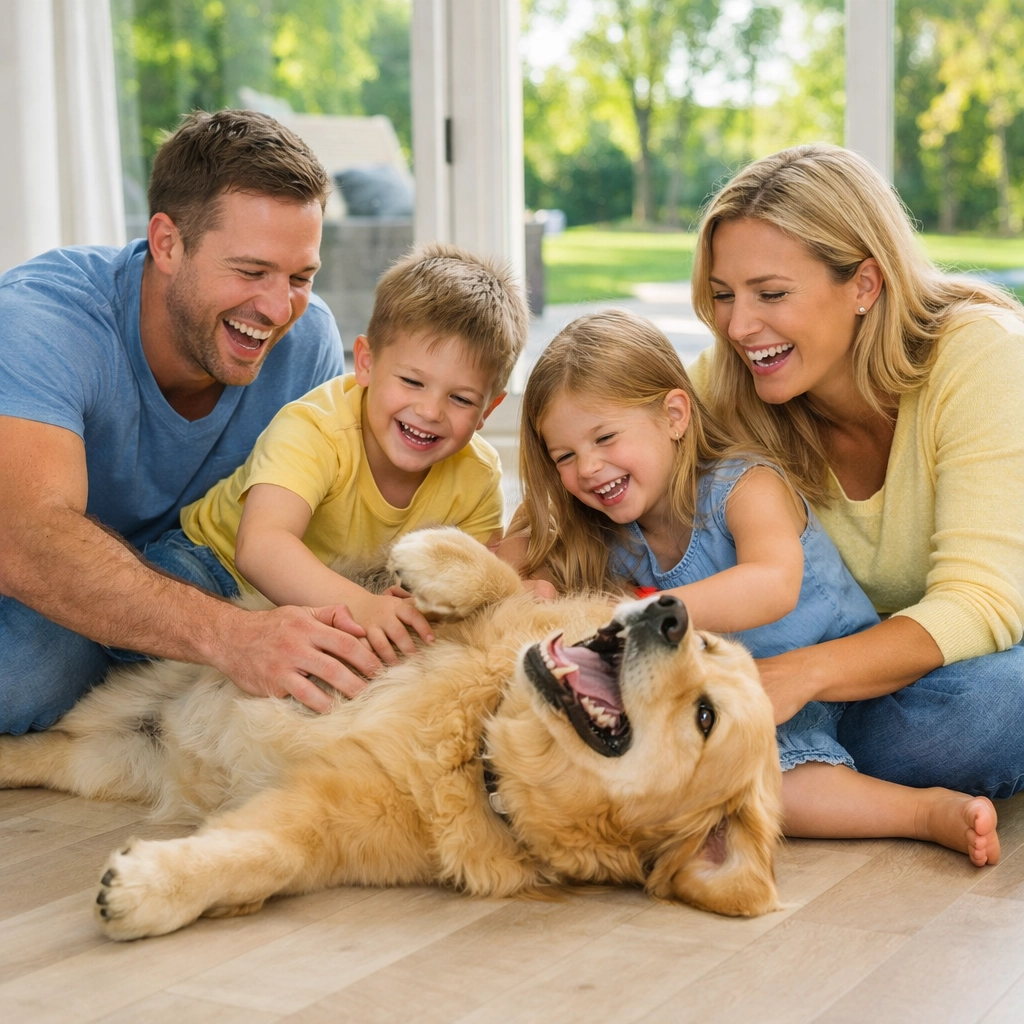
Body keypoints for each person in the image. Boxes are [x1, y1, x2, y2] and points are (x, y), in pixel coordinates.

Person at [501, 309, 1001, 865]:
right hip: (748, 707)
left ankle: (923, 811)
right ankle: (909, 810)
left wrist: (642, 611)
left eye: (605, 438)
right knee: (761, 778)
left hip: (848, 685)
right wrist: (532, 587)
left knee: (984, 705)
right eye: (564, 456)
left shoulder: (742, 484)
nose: (588, 468)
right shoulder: (609, 527)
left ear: (673, 415)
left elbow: (773, 584)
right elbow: (519, 552)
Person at [686, 142, 1024, 856]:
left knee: (991, 707)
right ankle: (810, 771)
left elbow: (983, 603)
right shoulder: (728, 385)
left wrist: (795, 676)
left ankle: (788, 768)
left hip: (981, 655)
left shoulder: (981, 354)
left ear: (864, 283)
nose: (739, 327)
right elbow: (610, 438)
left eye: (770, 294)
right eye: (723, 295)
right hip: (851, 681)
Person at [0, 108, 382, 734]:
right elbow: (25, 540)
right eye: (251, 271)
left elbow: (332, 514)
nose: (276, 307)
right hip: (25, 575)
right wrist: (233, 638)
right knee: (37, 669)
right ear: (168, 243)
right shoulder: (44, 320)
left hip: (181, 574)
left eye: (301, 277)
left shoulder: (307, 341)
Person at [144, 241, 528, 664]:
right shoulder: (316, 427)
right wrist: (362, 607)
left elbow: (470, 577)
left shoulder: (478, 474)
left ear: (487, 411)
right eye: (412, 382)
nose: (429, 411)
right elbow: (261, 547)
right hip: (214, 565)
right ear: (365, 362)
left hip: (335, 590)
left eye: (460, 399)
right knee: (148, 637)